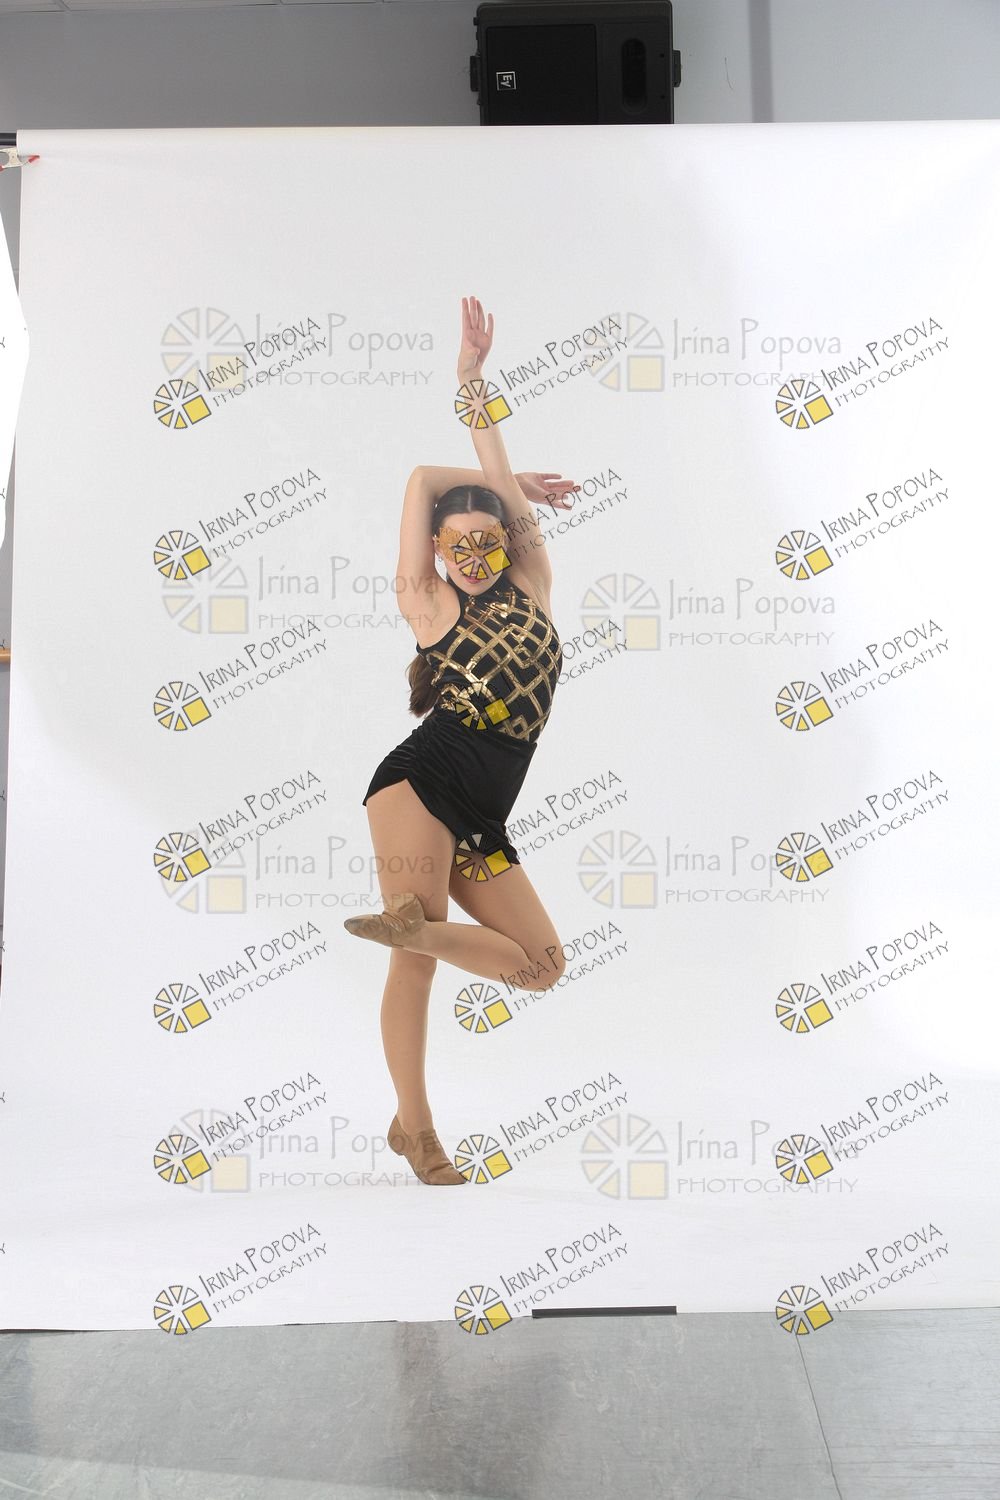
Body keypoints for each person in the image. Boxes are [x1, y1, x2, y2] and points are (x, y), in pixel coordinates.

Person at [343, 295, 579, 1185]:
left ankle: (408, 930)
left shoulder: (534, 583)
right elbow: (419, 481)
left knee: (542, 966)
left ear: (508, 546)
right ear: (439, 554)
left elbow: (498, 487)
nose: (477, 557)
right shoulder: (429, 607)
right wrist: (505, 486)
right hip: (418, 785)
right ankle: (417, 1130)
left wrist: (477, 386)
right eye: (461, 546)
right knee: (417, 962)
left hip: (484, 814)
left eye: (492, 540)